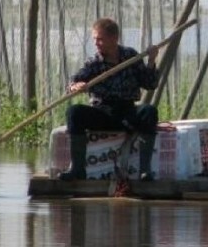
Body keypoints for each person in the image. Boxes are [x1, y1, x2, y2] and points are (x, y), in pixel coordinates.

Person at [59, 17, 160, 182]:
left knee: (149, 111)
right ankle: (77, 170)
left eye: (100, 39)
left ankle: (145, 171)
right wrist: (75, 86)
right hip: (102, 113)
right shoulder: (94, 63)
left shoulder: (131, 56)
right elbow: (73, 82)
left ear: (114, 38)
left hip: (127, 113)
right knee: (74, 112)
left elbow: (149, 84)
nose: (96, 43)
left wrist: (151, 61)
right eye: (94, 39)